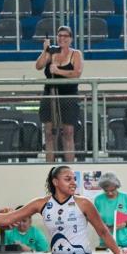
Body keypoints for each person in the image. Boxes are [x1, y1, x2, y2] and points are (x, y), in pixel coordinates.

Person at [36, 25, 83, 163]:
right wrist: (45, 50)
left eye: (65, 36)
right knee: (49, 132)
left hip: (68, 96)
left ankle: (69, 166)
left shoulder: (76, 54)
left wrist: (58, 71)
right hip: (50, 94)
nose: (62, 38)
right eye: (60, 35)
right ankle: (49, 165)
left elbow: (76, 73)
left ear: (71, 39)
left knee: (68, 132)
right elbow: (38, 66)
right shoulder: (52, 52)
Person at [94, 172, 127, 248]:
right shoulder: (98, 200)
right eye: (106, 190)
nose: (110, 193)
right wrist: (102, 226)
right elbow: (95, 221)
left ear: (117, 186)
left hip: (125, 243)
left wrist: (124, 224)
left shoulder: (125, 197)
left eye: (112, 190)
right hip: (106, 243)